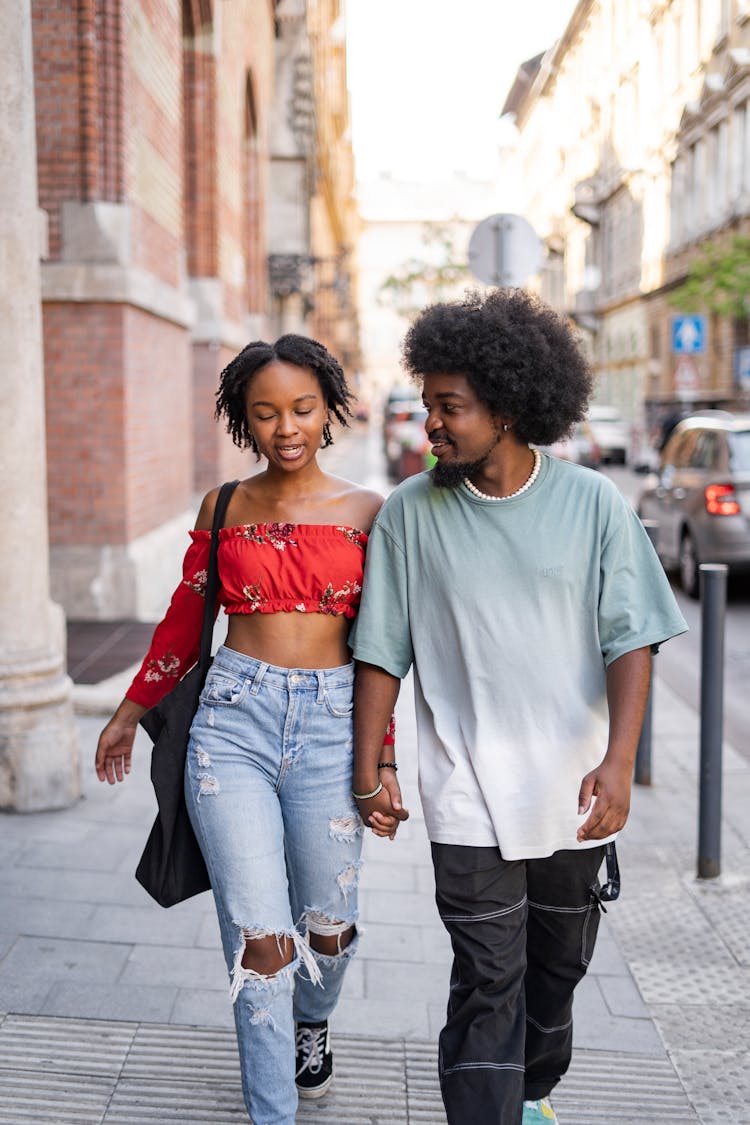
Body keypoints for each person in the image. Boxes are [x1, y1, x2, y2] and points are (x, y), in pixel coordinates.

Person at [349, 289, 688, 1125]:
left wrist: (618, 763)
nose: (431, 423)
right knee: (487, 975)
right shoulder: (407, 516)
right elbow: (381, 649)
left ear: (506, 405)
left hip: (572, 790)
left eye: (449, 407)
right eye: (428, 404)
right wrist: (373, 764)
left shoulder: (594, 504)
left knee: (555, 970)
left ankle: (532, 1088)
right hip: (465, 793)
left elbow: (632, 637)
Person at [95, 334, 400, 1125]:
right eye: (265, 413)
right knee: (262, 942)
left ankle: (312, 1022)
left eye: (302, 408)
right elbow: (182, 622)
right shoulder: (224, 506)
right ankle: (274, 1113)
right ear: (243, 420)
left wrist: (381, 759)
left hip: (334, 728)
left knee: (327, 933)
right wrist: (128, 712)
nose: (286, 427)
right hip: (232, 725)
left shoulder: (371, 511)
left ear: (329, 406)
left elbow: (386, 647)